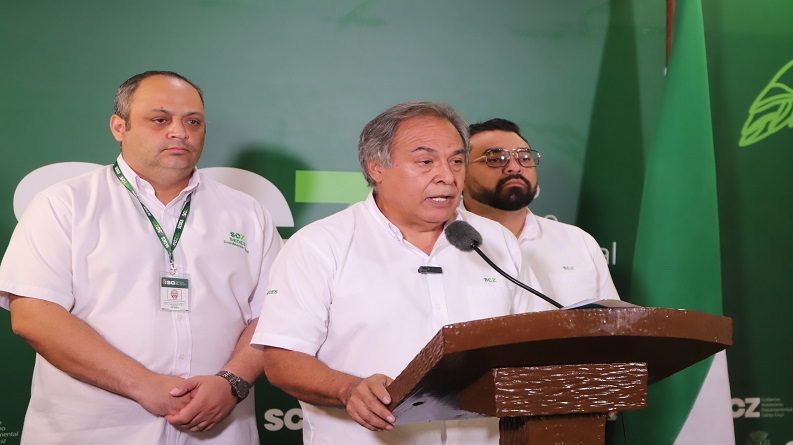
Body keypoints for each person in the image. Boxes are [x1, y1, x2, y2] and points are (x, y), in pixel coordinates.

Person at [0, 70, 283, 444]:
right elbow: (33, 315)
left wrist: (231, 382)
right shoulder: (65, 203)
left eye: (193, 122)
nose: (179, 132)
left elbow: (275, 315)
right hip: (93, 434)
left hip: (218, 431)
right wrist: (144, 385)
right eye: (160, 120)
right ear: (119, 127)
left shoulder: (248, 214)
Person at [251, 102, 548, 445]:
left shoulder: (495, 241)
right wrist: (348, 389)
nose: (447, 176)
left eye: (456, 161)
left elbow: (535, 343)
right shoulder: (320, 244)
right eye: (425, 162)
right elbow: (282, 359)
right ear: (376, 167)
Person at [462, 118, 619, 306]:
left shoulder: (579, 242)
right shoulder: (440, 245)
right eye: (496, 159)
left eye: (524, 158)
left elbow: (612, 321)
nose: (515, 167)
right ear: (460, 173)